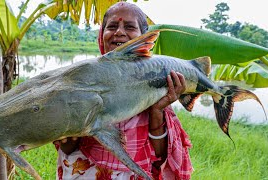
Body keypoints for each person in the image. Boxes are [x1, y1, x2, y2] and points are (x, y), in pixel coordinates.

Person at [53, 2, 193, 179]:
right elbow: (68, 148)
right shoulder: (82, 78)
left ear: (144, 37)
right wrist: (68, 134)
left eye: (129, 26)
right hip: (85, 171)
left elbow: (160, 155)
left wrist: (157, 109)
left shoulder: (156, 80)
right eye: (112, 26)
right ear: (102, 34)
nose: (119, 32)